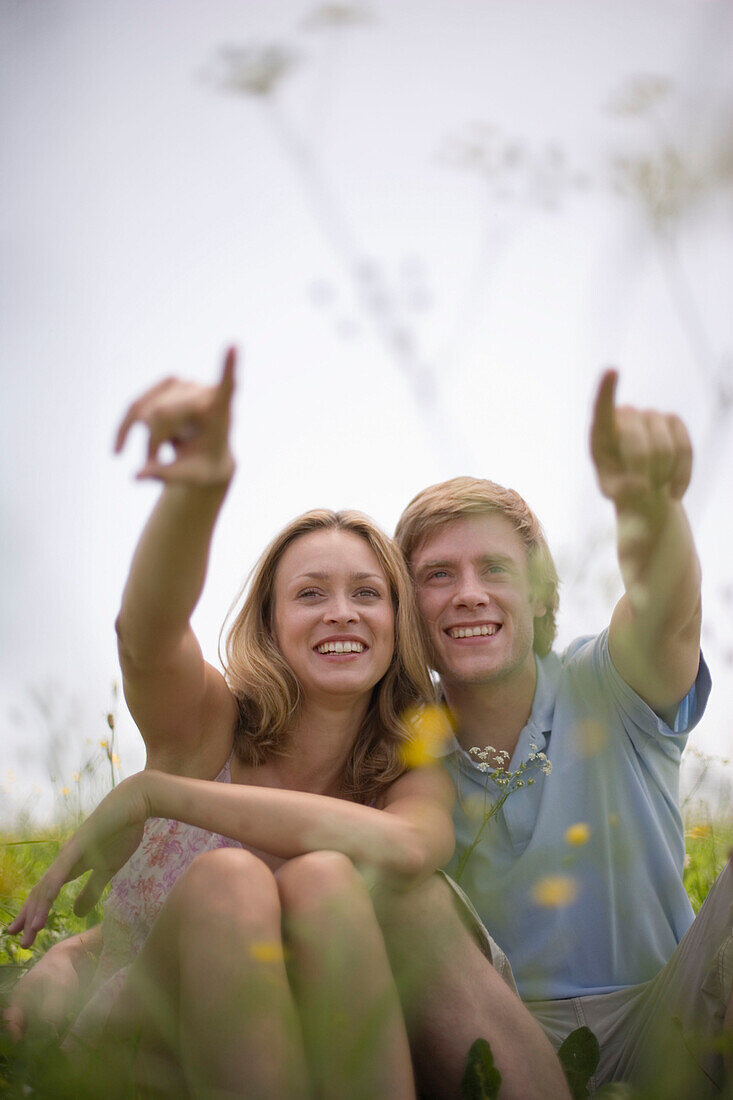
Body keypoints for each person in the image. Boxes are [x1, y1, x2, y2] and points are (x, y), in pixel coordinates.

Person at [5, 350, 571, 1100]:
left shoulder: (404, 763)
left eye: (367, 592)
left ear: (397, 622)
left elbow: (409, 845)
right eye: (310, 593)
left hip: (332, 1055)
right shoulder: (206, 726)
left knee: (329, 876)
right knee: (230, 880)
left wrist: (158, 797)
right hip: (152, 1050)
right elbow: (147, 632)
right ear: (269, 622)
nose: (341, 611)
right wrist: (197, 493)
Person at [394, 369, 732, 1096]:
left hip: (668, 1019)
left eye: (493, 568)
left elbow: (666, 605)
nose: (469, 594)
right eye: (436, 575)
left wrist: (648, 509)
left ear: (542, 591)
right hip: (494, 1042)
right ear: (405, 605)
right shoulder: (397, 751)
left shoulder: (605, 681)